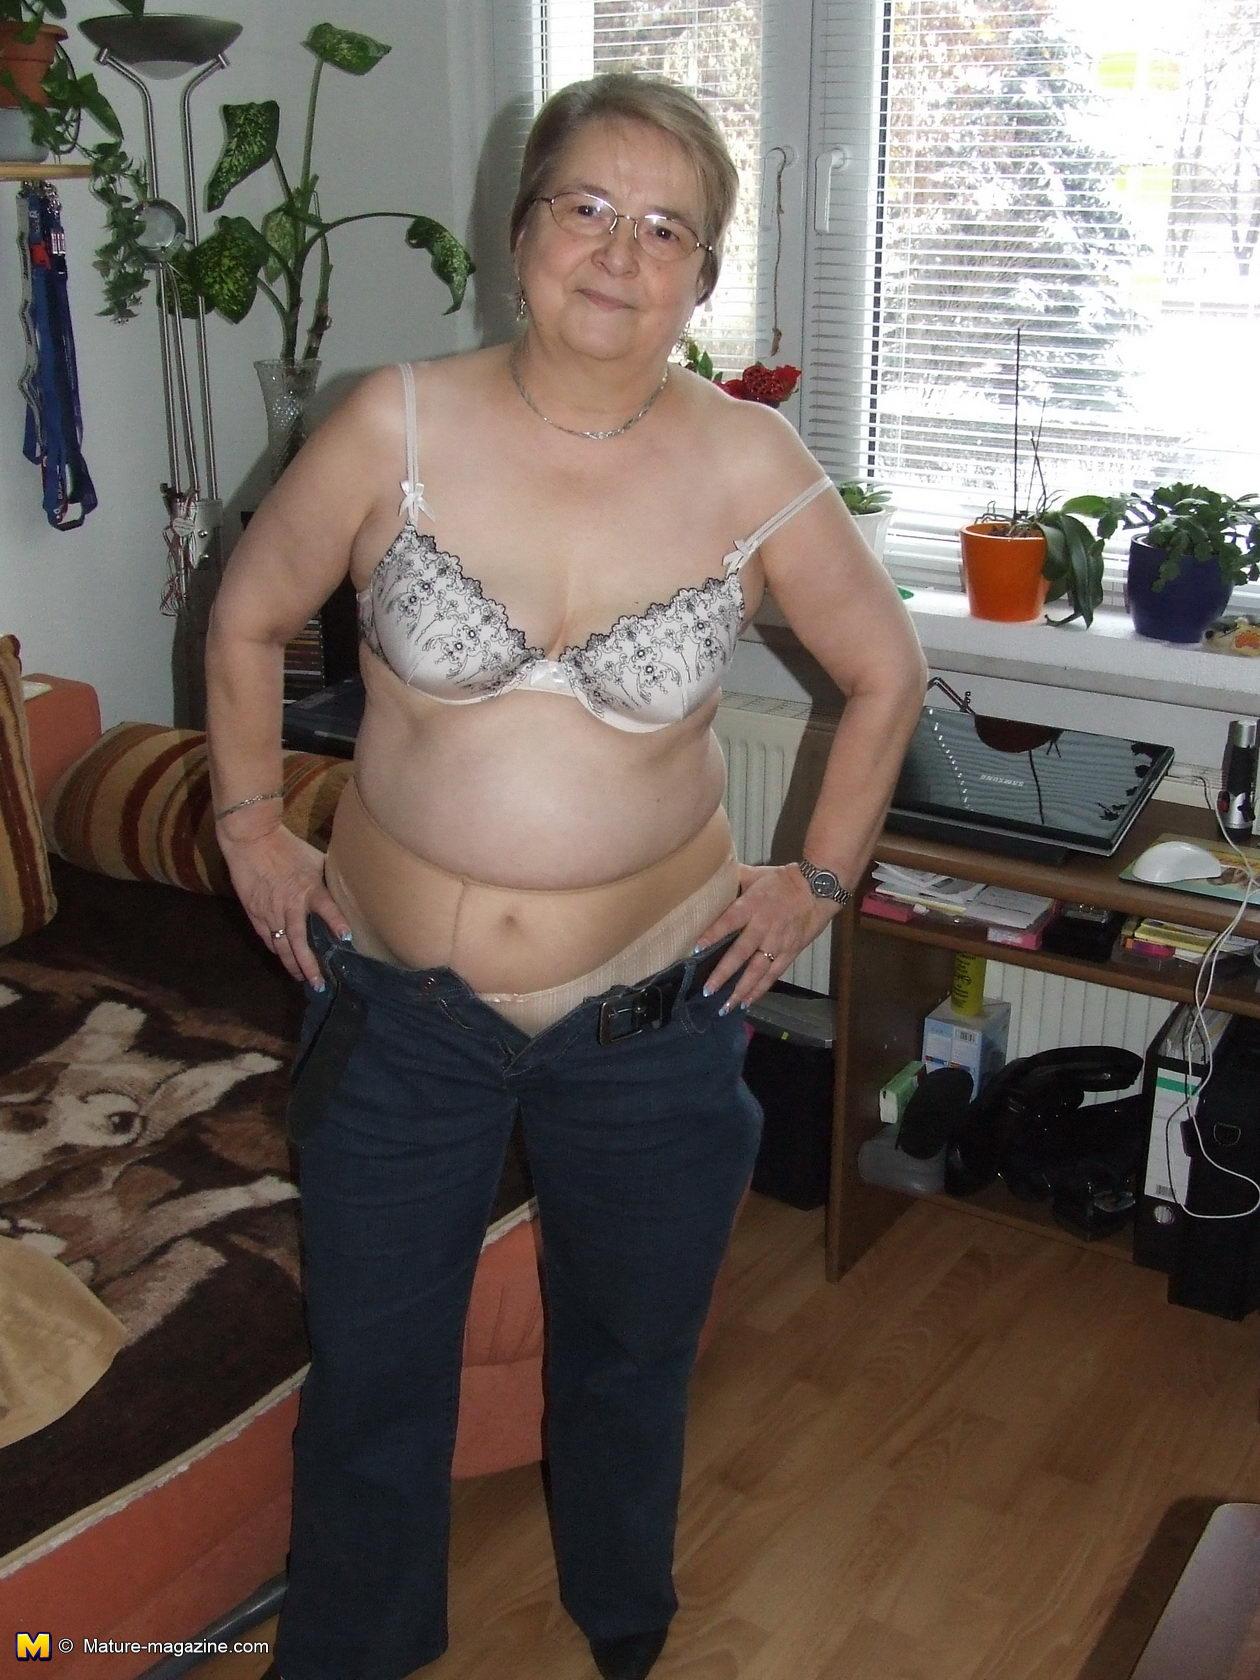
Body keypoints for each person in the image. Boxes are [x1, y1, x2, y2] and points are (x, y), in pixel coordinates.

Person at [205, 71, 927, 1680]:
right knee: (373, 1373)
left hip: (651, 1022)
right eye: (586, 208)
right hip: (401, 1017)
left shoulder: (749, 463)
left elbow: (888, 671)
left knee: (630, 1357)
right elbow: (247, 616)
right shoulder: (392, 422)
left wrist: (816, 880)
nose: (618, 252)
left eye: (665, 229)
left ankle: (622, 1634)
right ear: (521, 228)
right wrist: (250, 822)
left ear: (703, 277)